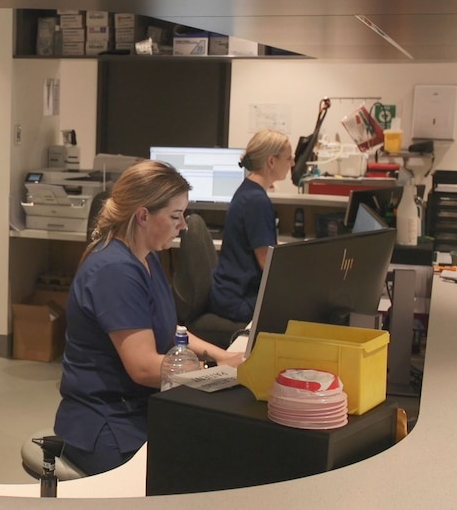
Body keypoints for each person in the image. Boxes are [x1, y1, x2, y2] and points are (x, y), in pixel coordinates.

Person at [53, 160, 244, 476]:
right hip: (109, 424)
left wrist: (225, 355)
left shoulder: (147, 259)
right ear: (143, 215)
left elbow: (170, 331)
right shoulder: (115, 271)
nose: (183, 225)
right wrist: (218, 369)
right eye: (175, 216)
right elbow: (142, 367)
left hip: (139, 410)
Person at [208, 129, 294, 324]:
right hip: (239, 299)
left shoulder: (247, 190)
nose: (292, 164)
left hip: (228, 293)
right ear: (271, 161)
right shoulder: (257, 201)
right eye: (289, 158)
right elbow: (267, 262)